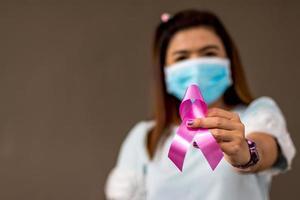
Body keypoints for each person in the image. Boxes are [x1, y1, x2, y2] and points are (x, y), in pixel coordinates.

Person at [105, 10, 296, 200]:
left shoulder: (256, 115)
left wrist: (246, 152)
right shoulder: (144, 138)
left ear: (229, 61)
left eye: (209, 53)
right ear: (165, 72)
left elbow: (263, 148)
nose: (196, 66)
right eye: (182, 58)